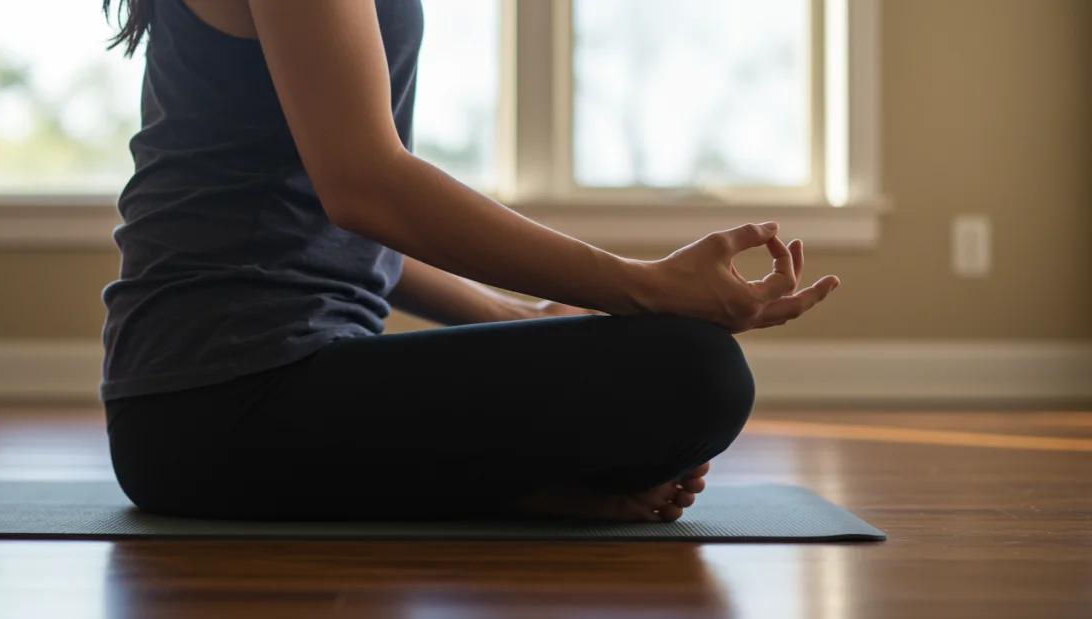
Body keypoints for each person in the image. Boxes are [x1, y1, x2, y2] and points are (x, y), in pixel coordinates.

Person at [100, 0, 840, 523]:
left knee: (676, 365)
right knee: (693, 373)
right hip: (211, 402)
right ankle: (514, 491)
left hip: (248, 391)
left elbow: (329, 217)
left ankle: (511, 487)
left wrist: (521, 314)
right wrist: (642, 286)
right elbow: (366, 187)